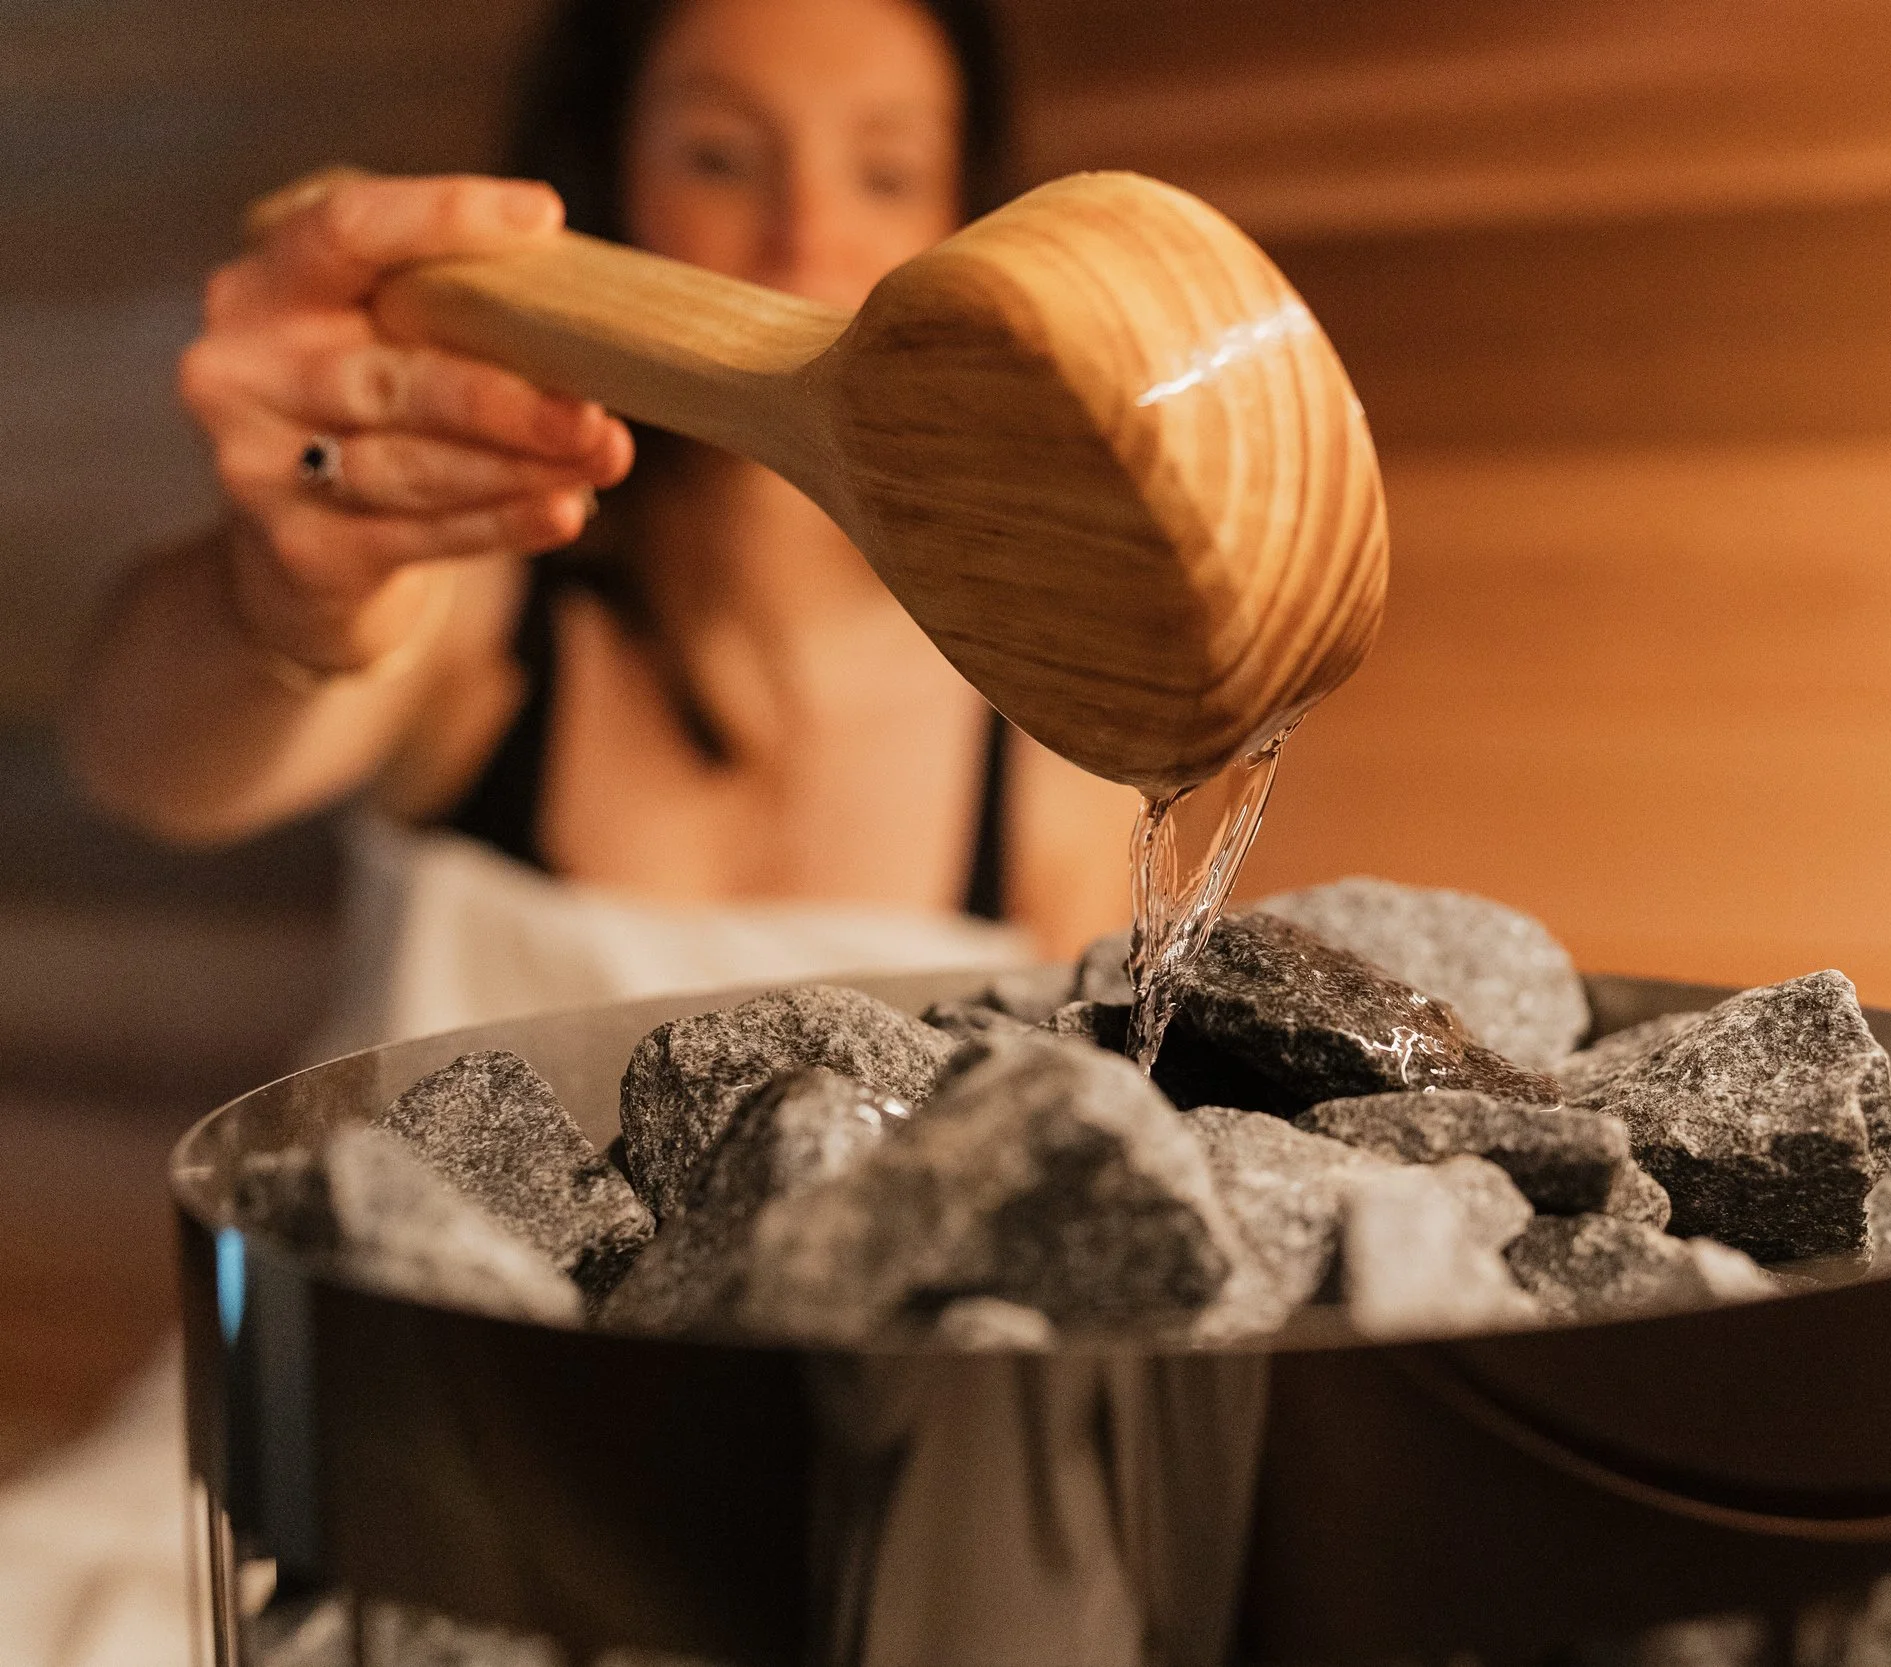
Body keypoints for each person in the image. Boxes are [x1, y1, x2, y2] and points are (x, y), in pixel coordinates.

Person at [13, 3, 1134, 1659]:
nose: (804, 236)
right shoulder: (480, 585)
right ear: (609, 180)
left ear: (965, 229)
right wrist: (287, 590)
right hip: (347, 1435)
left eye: (885, 169)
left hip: (795, 1517)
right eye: (719, 155)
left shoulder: (1039, 739)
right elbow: (150, 758)